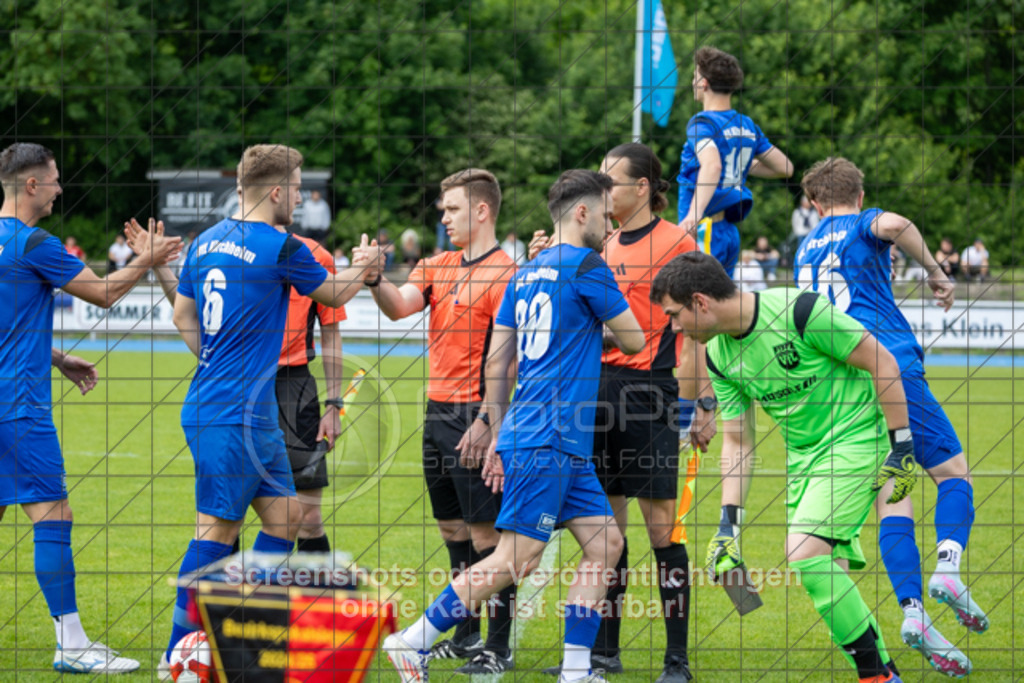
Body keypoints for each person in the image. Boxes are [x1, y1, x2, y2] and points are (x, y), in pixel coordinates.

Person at [384, 169, 645, 683]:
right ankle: (411, 640)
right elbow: (634, 340)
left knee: (607, 546)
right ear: (583, 212)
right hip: (548, 437)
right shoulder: (590, 265)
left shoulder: (525, 272)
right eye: (607, 213)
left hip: (552, 439)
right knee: (513, 558)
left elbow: (498, 361)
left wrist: (495, 426)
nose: (611, 224)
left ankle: (575, 671)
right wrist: (600, 340)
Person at [160, 144, 378, 674]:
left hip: (240, 408)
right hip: (229, 413)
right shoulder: (278, 245)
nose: (301, 197)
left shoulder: (207, 240)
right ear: (277, 191)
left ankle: (234, 628)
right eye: (298, 187)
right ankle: (178, 654)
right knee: (216, 531)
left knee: (286, 520)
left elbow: (182, 317)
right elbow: (330, 295)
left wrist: (214, 359)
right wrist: (366, 266)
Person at [652, 251, 911, 683]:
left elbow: (882, 362)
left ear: (700, 302)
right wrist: (727, 527)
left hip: (856, 437)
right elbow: (737, 441)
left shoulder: (800, 311)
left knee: (804, 553)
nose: (674, 327)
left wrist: (901, 447)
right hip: (804, 458)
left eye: (675, 315)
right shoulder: (717, 354)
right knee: (826, 574)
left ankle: (877, 677)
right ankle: (885, 669)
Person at [795, 157, 985, 677]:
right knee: (952, 474)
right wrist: (936, 272)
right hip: (889, 364)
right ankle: (948, 570)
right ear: (859, 195)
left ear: (814, 203)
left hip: (844, 384)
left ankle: (914, 614)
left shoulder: (803, 249)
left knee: (892, 495)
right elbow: (896, 225)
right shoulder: (861, 222)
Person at [0, 142, 180, 673]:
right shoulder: (35, 242)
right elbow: (101, 293)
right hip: (18, 407)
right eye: (55, 181)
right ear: (32, 185)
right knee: (54, 514)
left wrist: (54, 356)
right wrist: (146, 260)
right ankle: (72, 643)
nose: (60, 190)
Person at [530, 143, 706, 682]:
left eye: (614, 179)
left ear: (644, 188)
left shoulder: (677, 241)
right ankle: (603, 651)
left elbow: (697, 328)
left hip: (649, 391)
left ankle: (676, 660)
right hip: (594, 392)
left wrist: (701, 402)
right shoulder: (595, 242)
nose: (605, 188)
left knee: (662, 534)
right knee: (606, 532)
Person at [362, 169, 518, 673]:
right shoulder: (437, 265)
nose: (444, 218)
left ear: (481, 210)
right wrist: (373, 280)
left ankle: (498, 644)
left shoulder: (506, 273)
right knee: (453, 529)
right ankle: (466, 631)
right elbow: (399, 307)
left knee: (489, 537)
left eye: (451, 209)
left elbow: (510, 360)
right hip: (436, 412)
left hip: (477, 415)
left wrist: (490, 422)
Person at [129, 217, 349, 556]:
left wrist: (334, 404)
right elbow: (190, 312)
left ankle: (310, 605)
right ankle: (227, 607)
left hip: (293, 389)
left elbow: (331, 331)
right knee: (225, 521)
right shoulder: (221, 247)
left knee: (303, 515)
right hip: (239, 385)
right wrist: (160, 268)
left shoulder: (312, 253)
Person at [676, 46, 793, 277]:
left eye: (695, 76)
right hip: (729, 233)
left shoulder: (702, 124)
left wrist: (694, 214)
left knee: (696, 303)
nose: (692, 82)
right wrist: (742, 166)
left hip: (704, 229)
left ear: (704, 83)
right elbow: (785, 168)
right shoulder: (746, 125)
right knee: (720, 304)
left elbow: (713, 165)